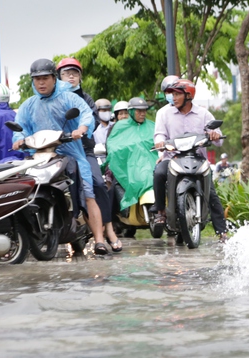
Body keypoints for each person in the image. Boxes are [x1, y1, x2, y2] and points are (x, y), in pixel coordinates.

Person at [12, 58, 109, 255]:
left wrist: (82, 128)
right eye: (37, 79)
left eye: (45, 78)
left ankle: (100, 240)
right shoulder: (28, 104)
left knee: (88, 193)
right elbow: (20, 126)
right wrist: (19, 138)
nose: (41, 82)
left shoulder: (69, 97)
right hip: (41, 154)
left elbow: (85, 114)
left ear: (54, 79)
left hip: (71, 153)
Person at [151, 78, 228, 242]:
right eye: (172, 94)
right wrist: (160, 142)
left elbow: (218, 138)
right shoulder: (164, 113)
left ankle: (222, 232)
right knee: (158, 173)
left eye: (177, 94)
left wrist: (215, 135)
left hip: (197, 160)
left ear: (188, 96)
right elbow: (159, 134)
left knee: (211, 193)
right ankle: (160, 213)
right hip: (172, 158)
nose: (173, 97)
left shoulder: (203, 114)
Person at [57, 57, 121, 253]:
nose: (71, 76)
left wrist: (81, 129)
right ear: (58, 77)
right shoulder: (53, 99)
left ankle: (109, 230)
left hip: (84, 151)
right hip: (59, 150)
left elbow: (91, 121)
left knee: (99, 184)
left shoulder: (86, 99)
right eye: (66, 73)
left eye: (75, 73)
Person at [105, 96, 157, 212]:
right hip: (126, 164)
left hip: (150, 162)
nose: (142, 114)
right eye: (139, 111)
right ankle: (122, 213)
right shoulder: (119, 127)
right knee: (115, 183)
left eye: (144, 110)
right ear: (132, 112)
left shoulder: (152, 126)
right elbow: (112, 147)